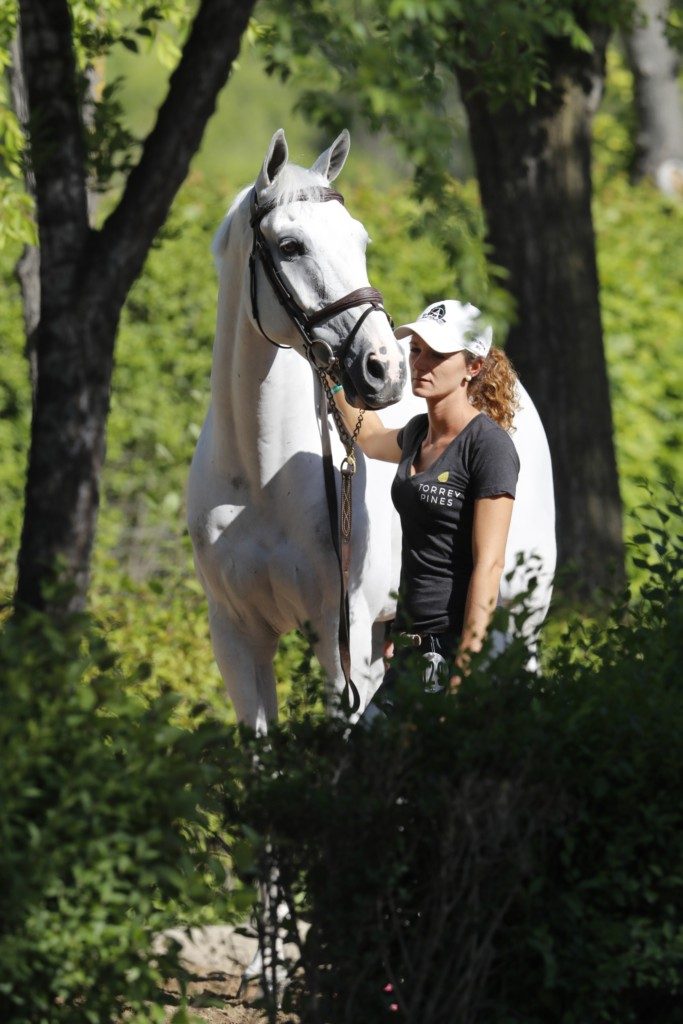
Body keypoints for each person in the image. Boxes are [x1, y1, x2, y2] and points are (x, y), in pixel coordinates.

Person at [329, 299, 521, 704]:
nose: (420, 363)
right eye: (416, 350)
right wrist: (330, 373)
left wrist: (465, 670)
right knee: (377, 762)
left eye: (437, 354)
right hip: (413, 644)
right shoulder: (418, 433)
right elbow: (368, 436)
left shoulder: (488, 447)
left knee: (380, 760)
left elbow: (490, 564)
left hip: (452, 648)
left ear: (473, 366)